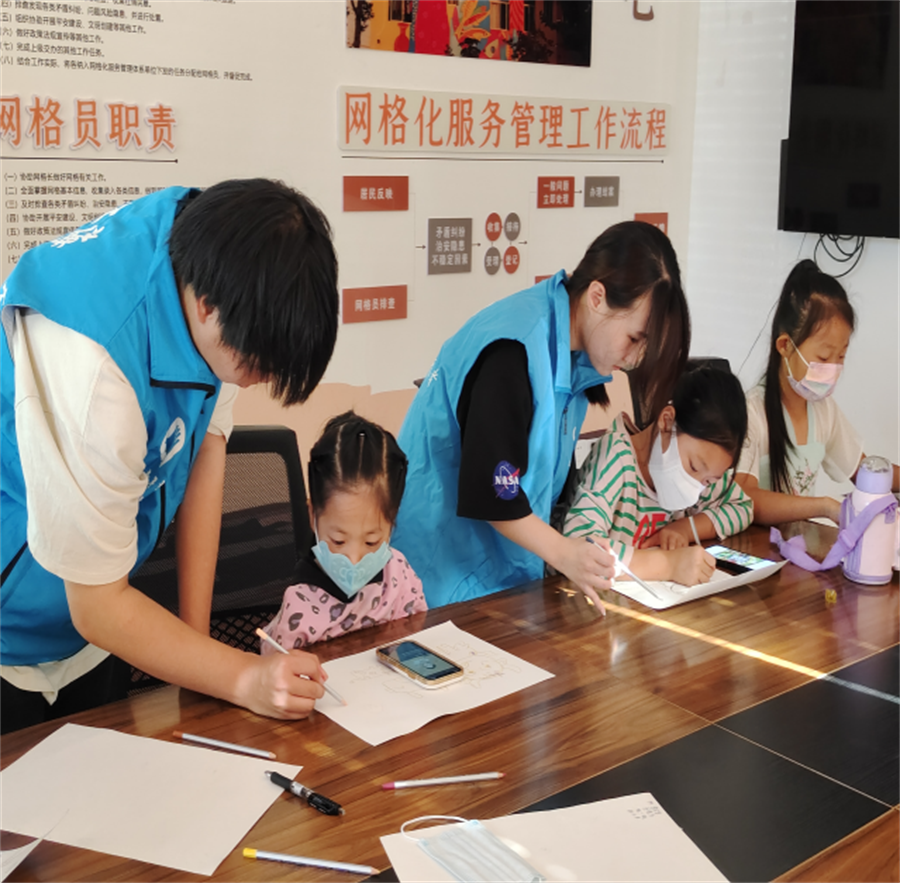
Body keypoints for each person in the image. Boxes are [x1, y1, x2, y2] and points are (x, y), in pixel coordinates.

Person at [0, 179, 339, 734]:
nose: (258, 381)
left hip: (96, 615)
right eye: (257, 365)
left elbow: (206, 447)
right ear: (206, 307)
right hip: (17, 619)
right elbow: (97, 607)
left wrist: (198, 652)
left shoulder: (214, 266)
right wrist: (241, 678)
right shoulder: (93, 366)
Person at [393, 221, 690, 609]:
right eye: (634, 339)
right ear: (597, 297)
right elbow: (493, 492)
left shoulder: (571, 357)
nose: (634, 359)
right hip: (440, 574)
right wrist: (565, 554)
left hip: (494, 576)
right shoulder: (513, 350)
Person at [735, 260, 900, 525]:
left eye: (841, 357)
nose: (832, 368)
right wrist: (824, 507)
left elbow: (863, 471)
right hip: (753, 545)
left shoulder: (823, 410)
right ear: (785, 345)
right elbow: (746, 499)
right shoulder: (752, 412)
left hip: (797, 543)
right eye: (823, 357)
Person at [562, 366, 752, 586]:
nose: (695, 489)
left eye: (708, 481)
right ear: (667, 422)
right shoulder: (616, 459)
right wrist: (668, 565)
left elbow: (742, 507)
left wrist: (684, 528)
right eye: (693, 467)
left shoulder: (703, 467)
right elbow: (579, 543)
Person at [261, 412, 426, 651]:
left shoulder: (399, 574)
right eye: (338, 541)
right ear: (313, 515)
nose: (354, 560)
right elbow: (283, 670)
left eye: (372, 542)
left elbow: (416, 637)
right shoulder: (300, 605)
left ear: (392, 521)